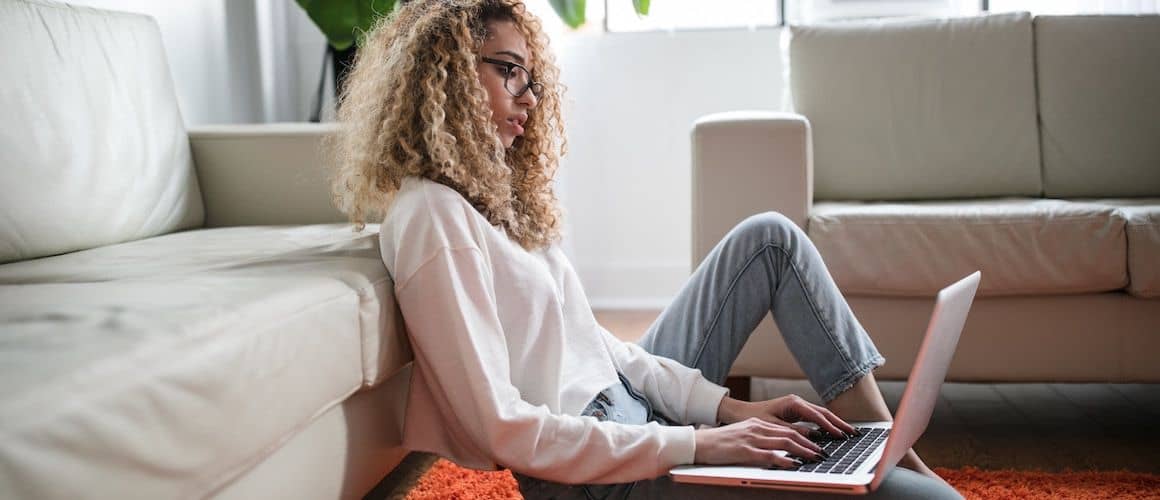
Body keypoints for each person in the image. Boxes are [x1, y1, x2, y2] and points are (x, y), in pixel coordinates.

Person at [328, 1, 962, 498]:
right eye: (509, 69)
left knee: (769, 237)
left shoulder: (493, 206)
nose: (529, 96)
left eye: (532, 77)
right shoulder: (431, 217)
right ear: (445, 76)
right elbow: (500, 426)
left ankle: (883, 449)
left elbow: (601, 349)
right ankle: (884, 467)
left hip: (636, 419)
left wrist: (725, 408)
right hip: (601, 480)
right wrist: (698, 444)